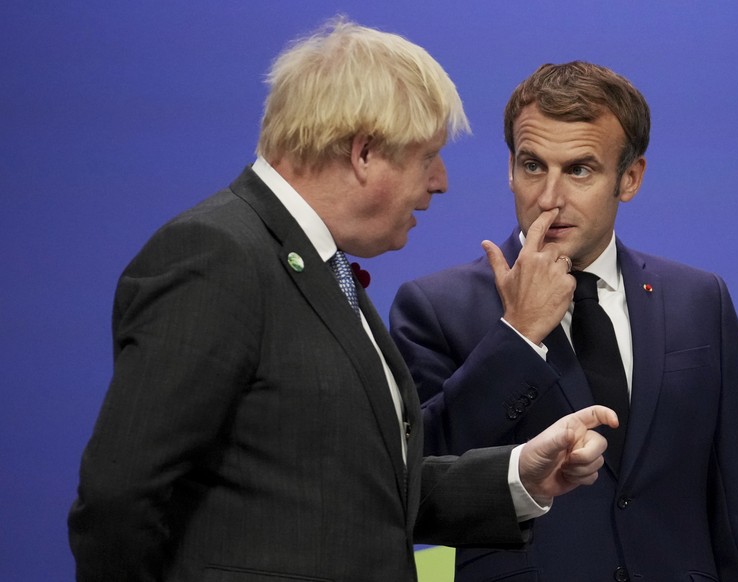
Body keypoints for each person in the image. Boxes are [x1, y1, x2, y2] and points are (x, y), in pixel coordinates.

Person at [67, 23, 620, 582]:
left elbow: (366, 493)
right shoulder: (218, 256)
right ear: (364, 153)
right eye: (427, 156)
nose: (441, 181)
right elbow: (120, 497)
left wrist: (519, 475)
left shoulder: (315, 266)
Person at [390, 61, 738, 581]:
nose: (549, 198)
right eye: (533, 166)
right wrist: (518, 335)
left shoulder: (698, 300)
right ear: (510, 168)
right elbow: (413, 485)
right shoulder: (436, 307)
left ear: (630, 178)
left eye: (579, 169)